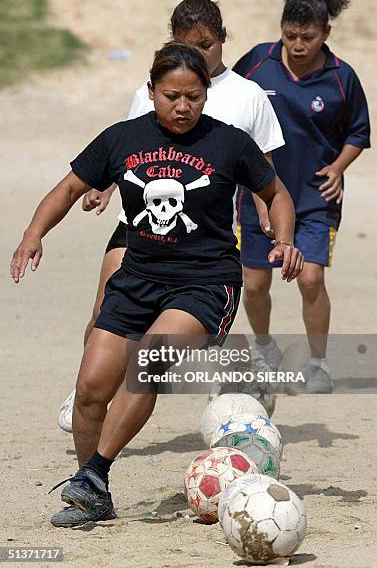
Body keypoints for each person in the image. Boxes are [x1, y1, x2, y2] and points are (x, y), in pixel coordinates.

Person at [11, 42, 304, 527]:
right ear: (151, 92)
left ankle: (94, 473)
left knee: (148, 360)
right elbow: (67, 189)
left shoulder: (229, 143)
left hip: (207, 285)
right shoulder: (122, 139)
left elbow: (276, 193)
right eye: (172, 95)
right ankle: (93, 491)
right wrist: (32, 234)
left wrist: (285, 239)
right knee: (88, 391)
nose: (183, 106)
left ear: (206, 94)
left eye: (193, 96)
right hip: (137, 279)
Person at [58, 0, 286, 432]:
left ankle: (226, 375)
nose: (196, 52)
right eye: (186, 43)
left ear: (222, 39)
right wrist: (103, 189)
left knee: (165, 341)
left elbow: (263, 169)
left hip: (200, 228)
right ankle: (88, 388)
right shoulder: (155, 85)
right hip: (135, 223)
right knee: (105, 307)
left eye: (205, 44)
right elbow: (124, 149)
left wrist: (264, 212)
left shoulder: (247, 95)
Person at [233, 0, 371, 393]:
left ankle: (318, 363)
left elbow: (359, 133)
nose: (297, 45)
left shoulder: (341, 77)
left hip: (314, 198)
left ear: (325, 31)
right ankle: (264, 347)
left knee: (310, 279)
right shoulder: (258, 62)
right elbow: (225, 103)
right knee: (255, 283)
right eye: (290, 34)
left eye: (307, 36)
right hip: (258, 195)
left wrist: (339, 167)